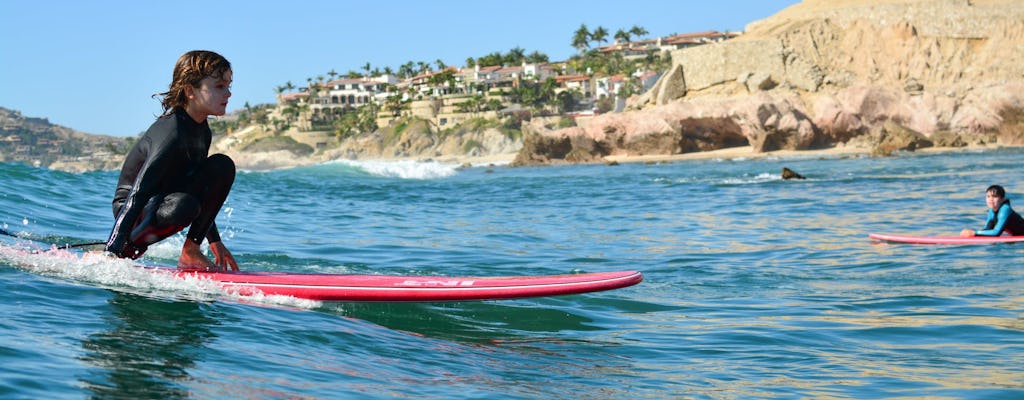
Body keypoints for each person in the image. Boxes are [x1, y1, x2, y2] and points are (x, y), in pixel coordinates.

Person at [104, 50, 239, 271]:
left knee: (222, 165)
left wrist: (214, 241)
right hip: (135, 211)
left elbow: (202, 191)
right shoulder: (172, 132)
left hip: (167, 201)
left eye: (228, 86)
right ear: (190, 91)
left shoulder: (202, 131)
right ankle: (125, 250)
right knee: (184, 205)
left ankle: (191, 252)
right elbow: (138, 194)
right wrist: (112, 251)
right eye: (219, 86)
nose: (229, 94)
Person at [960, 184, 1024, 237]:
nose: (991, 199)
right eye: (988, 196)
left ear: (1002, 199)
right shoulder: (991, 210)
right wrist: (972, 232)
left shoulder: (1005, 209)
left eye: (995, 196)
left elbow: (996, 233)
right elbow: (987, 229)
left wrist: (975, 233)